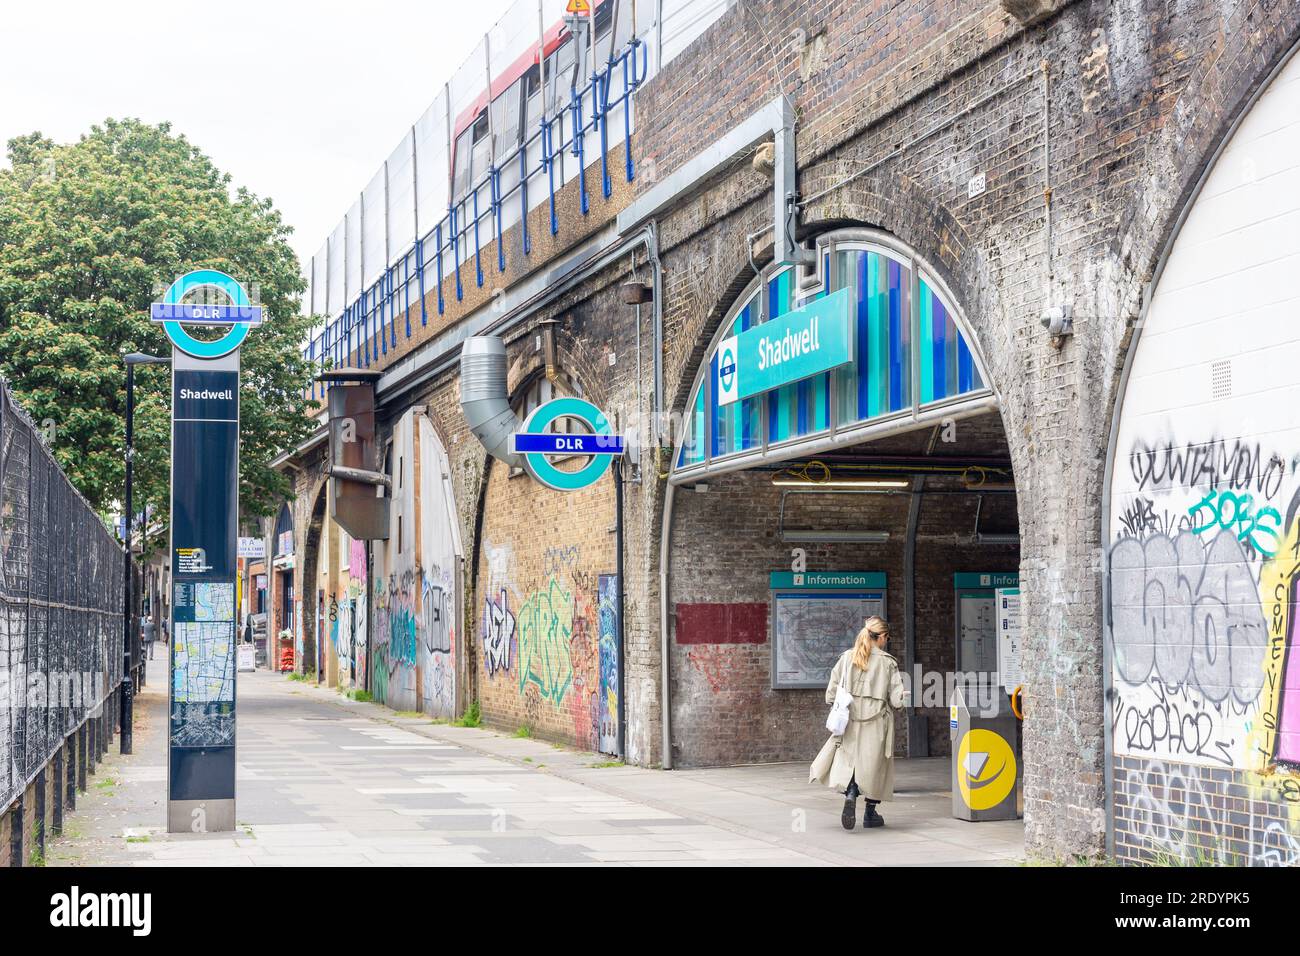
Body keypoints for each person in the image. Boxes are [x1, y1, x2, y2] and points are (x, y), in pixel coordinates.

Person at [809, 616, 906, 830]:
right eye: (886, 638)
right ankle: (870, 813)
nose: (885, 642)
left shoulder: (847, 658)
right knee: (876, 765)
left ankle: (851, 792)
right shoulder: (888, 662)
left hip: (850, 720)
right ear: (881, 637)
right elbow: (897, 699)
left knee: (851, 761)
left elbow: (832, 691)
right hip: (877, 721)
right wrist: (903, 699)